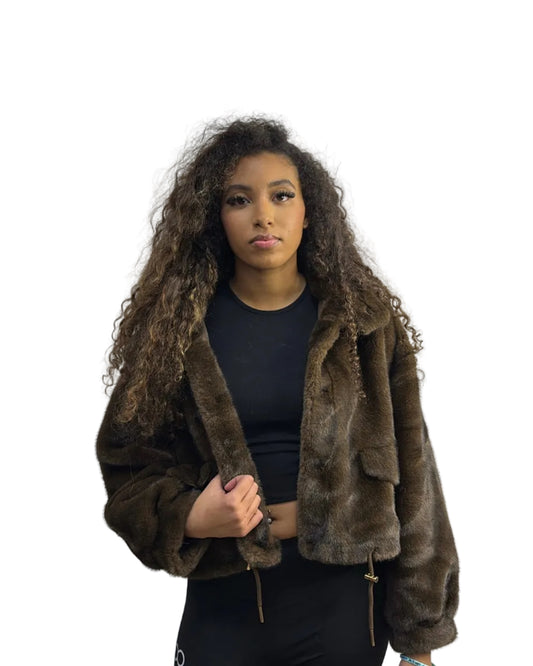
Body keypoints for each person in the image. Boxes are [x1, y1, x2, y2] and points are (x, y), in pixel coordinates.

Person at [96, 116, 459, 666]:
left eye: (281, 195)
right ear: (215, 217)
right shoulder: (175, 333)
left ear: (308, 211)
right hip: (226, 604)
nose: (263, 214)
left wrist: (419, 643)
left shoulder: (363, 325)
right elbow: (126, 467)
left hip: (344, 609)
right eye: (239, 199)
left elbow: (417, 482)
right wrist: (191, 515)